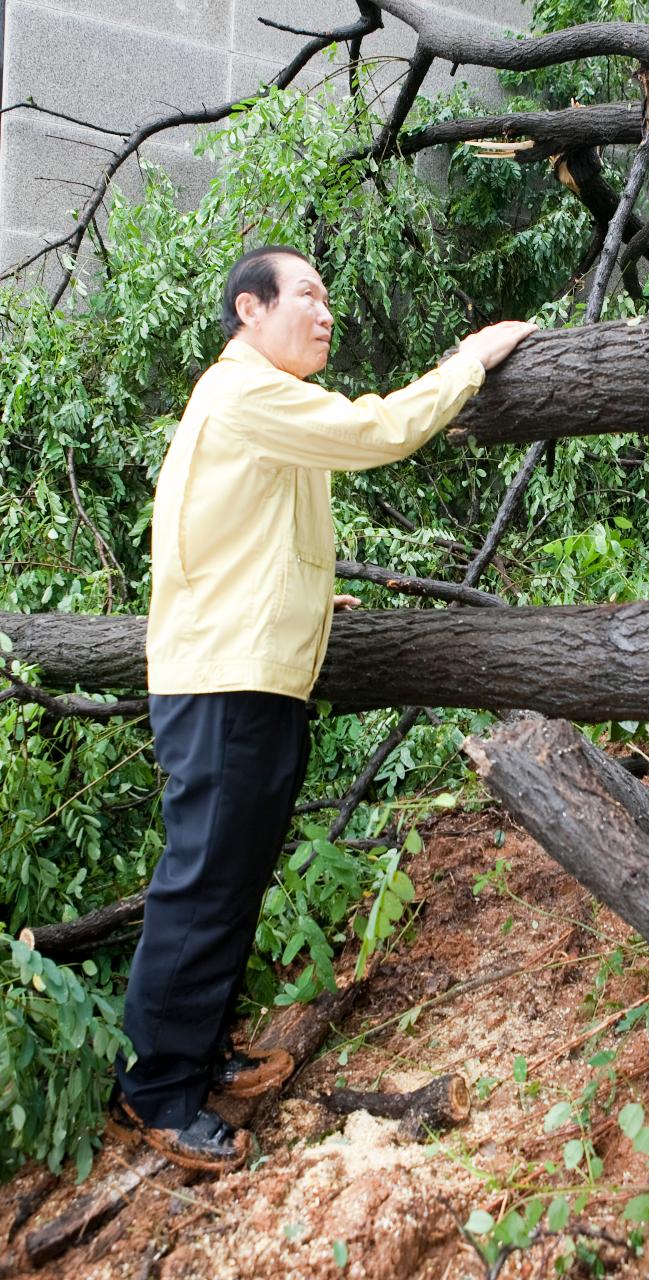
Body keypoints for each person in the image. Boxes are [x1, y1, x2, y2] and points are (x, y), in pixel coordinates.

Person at [108, 245, 536, 1171]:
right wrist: (472, 360)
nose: (324, 312)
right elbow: (375, 432)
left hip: (251, 670)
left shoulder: (260, 405)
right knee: (205, 882)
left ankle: (203, 1050)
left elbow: (245, 533)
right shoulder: (244, 391)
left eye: (328, 297)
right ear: (248, 311)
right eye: (306, 294)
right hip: (223, 681)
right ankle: (154, 1090)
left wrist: (306, 594)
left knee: (234, 873)